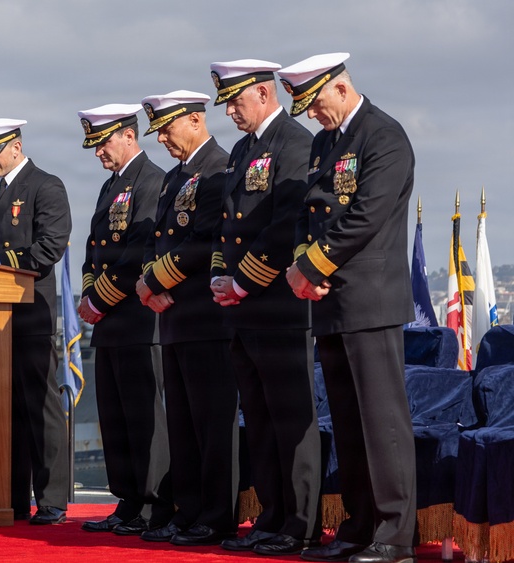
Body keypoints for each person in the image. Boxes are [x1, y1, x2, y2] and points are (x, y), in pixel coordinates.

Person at [281, 53, 417, 563]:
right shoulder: (325, 142)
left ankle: (395, 536)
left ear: (340, 88)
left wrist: (309, 267)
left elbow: (365, 216)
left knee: (382, 424)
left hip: (370, 299)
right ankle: (359, 528)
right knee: (348, 422)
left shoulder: (384, 136)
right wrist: (304, 265)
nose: (313, 115)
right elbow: (308, 212)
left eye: (316, 103)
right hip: (329, 300)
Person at [207, 59, 322, 554]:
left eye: (236, 101)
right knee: (257, 417)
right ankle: (271, 518)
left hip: (277, 305)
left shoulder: (294, 143)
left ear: (263, 92)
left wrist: (243, 281)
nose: (230, 112)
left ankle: (300, 525)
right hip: (241, 308)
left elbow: (285, 223)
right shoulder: (241, 150)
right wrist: (220, 276)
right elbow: (227, 224)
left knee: (289, 417)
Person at [134, 90, 239, 545]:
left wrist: (154, 280)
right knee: (182, 424)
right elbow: (155, 239)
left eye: (167, 128)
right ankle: (189, 509)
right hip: (173, 318)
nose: (161, 139)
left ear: (196, 120)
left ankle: (216, 515)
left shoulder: (218, 167)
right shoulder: (175, 176)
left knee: (212, 424)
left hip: (203, 315)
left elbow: (204, 240)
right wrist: (148, 283)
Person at [0, 118, 72, 525]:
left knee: (40, 408)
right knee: (6, 412)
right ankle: (12, 498)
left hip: (30, 313)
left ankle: (52, 499)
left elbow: (48, 250)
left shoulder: (45, 186)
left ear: (16, 147)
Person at [73, 104, 171, 536]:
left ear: (129, 136)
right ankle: (128, 501)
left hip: (137, 318)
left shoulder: (152, 181)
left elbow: (137, 253)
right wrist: (88, 295)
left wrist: (99, 299)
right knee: (115, 419)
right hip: (108, 322)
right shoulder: (110, 187)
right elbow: (94, 251)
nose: (98, 152)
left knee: (143, 418)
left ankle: (152, 504)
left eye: (103, 143)